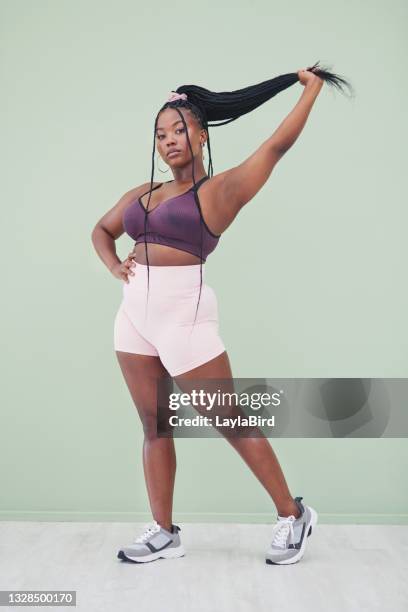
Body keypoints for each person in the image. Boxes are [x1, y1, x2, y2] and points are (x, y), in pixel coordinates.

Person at [91, 62, 353, 565]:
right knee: (153, 425)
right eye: (160, 133)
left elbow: (276, 147)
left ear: (202, 136)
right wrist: (113, 267)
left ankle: (292, 513)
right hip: (134, 318)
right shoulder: (141, 194)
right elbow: (101, 231)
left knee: (229, 420)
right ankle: (164, 532)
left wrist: (310, 90)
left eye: (179, 129)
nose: (168, 140)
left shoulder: (218, 191)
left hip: (184, 317)